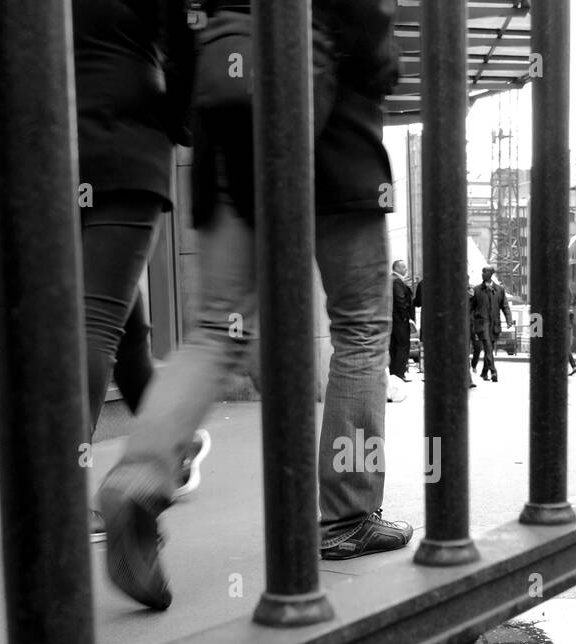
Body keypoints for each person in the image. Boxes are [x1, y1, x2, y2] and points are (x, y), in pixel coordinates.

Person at [97, 0, 413, 610]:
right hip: (335, 131)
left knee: (217, 329)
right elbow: (368, 24)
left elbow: (179, 32)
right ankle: (346, 514)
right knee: (362, 329)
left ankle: (139, 477)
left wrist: (198, 104)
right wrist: (377, 67)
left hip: (231, 125)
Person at [72, 0, 211, 540]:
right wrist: (177, 121)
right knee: (100, 323)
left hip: (53, 148)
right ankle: (66, 493)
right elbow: (184, 50)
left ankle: (172, 445)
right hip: (126, 141)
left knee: (119, 329)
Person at [470, 266, 513, 382]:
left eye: (485, 272)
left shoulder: (499, 290)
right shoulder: (477, 290)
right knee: (488, 346)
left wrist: (509, 320)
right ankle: (493, 371)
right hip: (481, 324)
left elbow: (505, 306)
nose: (482, 274)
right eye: (482, 272)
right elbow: (470, 307)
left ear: (491, 274)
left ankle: (484, 372)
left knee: (490, 347)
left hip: (494, 325)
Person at [390, 260, 414, 382]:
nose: (406, 269)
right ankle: (399, 374)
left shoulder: (392, 279)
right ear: (397, 268)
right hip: (399, 321)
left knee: (394, 347)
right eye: (403, 267)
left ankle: (394, 374)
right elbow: (400, 300)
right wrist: (406, 317)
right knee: (403, 346)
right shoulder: (397, 281)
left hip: (393, 320)